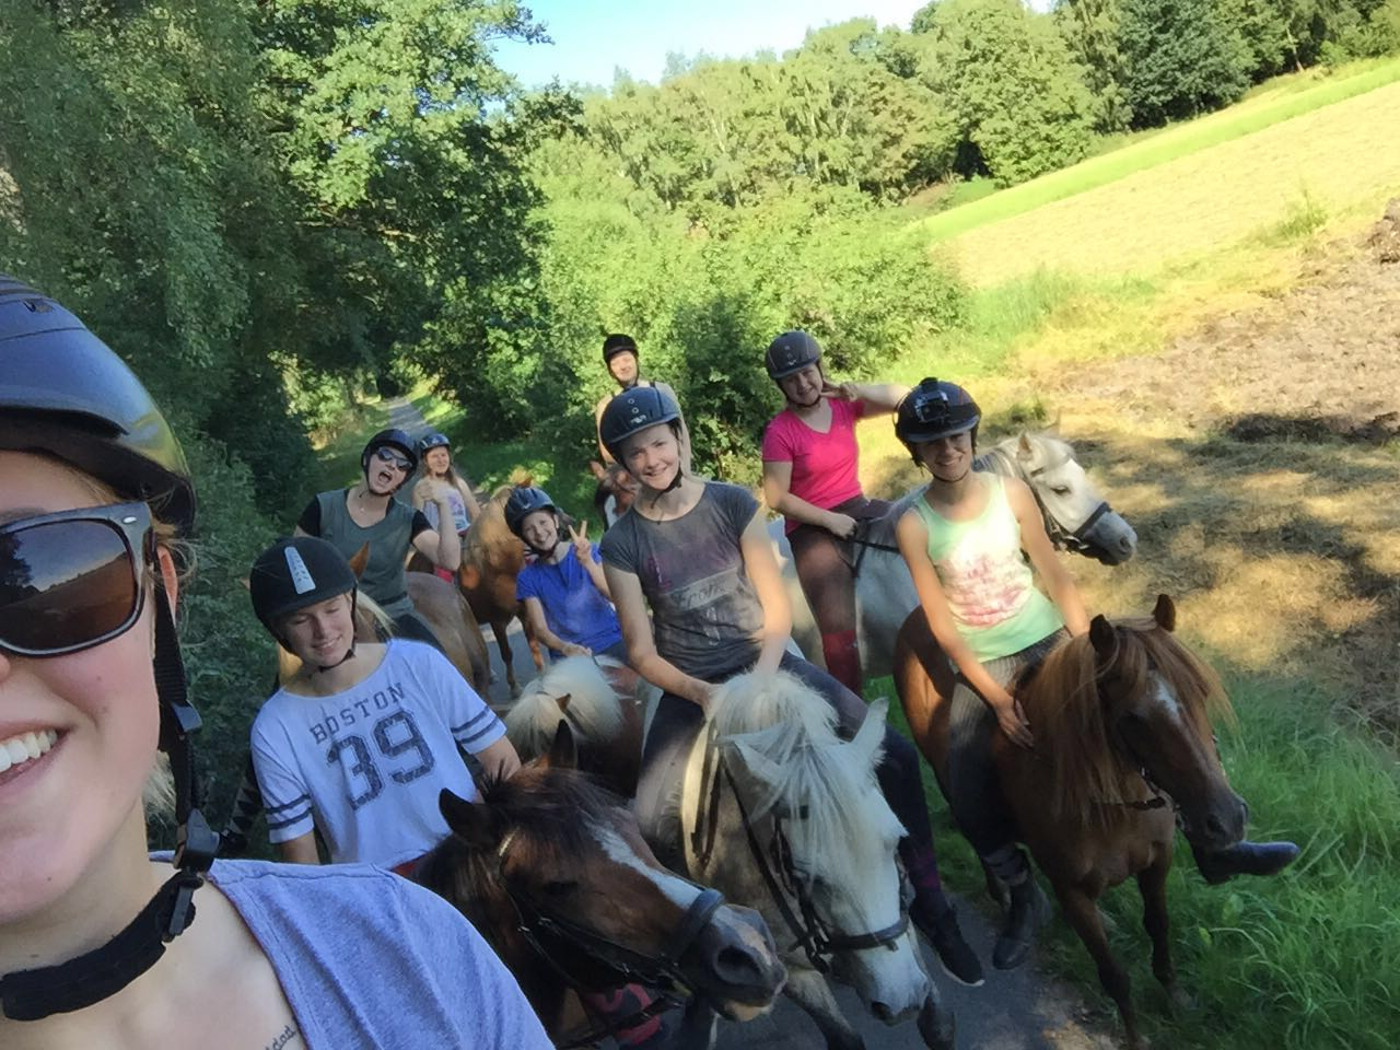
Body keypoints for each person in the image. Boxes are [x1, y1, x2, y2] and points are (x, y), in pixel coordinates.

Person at [0, 274, 550, 1046]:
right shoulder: (321, 528)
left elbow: (448, 570)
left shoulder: (415, 944)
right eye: (384, 463)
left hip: (393, 625)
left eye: (39, 580)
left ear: (160, 600)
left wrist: (439, 510)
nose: (389, 473)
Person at [892, 377, 1301, 971]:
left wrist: (1087, 649)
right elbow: (941, 624)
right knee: (964, 774)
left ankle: (1212, 840)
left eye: (956, 436)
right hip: (983, 657)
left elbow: (1055, 575)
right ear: (917, 451)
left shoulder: (1010, 492)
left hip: (1051, 638)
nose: (947, 449)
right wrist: (995, 699)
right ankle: (1023, 892)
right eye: (932, 442)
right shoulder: (914, 523)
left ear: (972, 436)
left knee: (1155, 717)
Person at [596, 386, 985, 988]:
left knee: (897, 758)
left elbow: (776, 612)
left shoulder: (731, 503)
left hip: (767, 659)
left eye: (657, 443)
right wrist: (704, 695)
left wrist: (761, 677)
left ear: (677, 436)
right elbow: (642, 651)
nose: (651, 460)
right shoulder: (622, 542)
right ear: (622, 463)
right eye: (635, 452)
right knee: (651, 821)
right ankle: (707, 949)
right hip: (692, 684)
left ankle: (931, 903)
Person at [247, 535, 521, 871]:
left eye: (332, 609)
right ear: (279, 631)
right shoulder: (275, 729)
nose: (323, 630)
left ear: (350, 601)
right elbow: (302, 860)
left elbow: (503, 761)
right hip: (376, 886)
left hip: (466, 857)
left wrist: (488, 835)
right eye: (300, 620)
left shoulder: (419, 664)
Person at [760, 330, 908, 698]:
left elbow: (904, 398)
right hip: (811, 527)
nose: (802, 384)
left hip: (857, 504)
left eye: (807, 372)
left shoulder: (844, 407)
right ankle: (850, 707)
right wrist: (828, 521)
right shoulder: (780, 431)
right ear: (781, 386)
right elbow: (776, 496)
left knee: (914, 521)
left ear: (820, 368)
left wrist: (856, 390)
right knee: (837, 627)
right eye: (791, 379)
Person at [296, 428, 459, 648]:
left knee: (436, 660)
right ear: (367, 459)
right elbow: (296, 565)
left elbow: (450, 561)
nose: (392, 465)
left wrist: (443, 505)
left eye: (402, 465)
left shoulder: (409, 519)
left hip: (393, 615)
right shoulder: (322, 507)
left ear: (403, 479)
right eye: (385, 455)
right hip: (333, 617)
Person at [507, 486, 627, 663]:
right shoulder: (527, 578)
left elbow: (614, 596)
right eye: (529, 529)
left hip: (611, 642)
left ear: (555, 520)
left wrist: (587, 562)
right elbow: (540, 630)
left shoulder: (590, 552)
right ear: (523, 537)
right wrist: (565, 647)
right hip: (568, 657)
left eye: (543, 522)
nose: (539, 532)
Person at [592, 333, 692, 473]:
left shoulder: (661, 390)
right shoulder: (606, 405)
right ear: (610, 370)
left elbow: (681, 434)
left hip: (672, 469)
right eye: (615, 363)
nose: (622, 366)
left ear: (636, 360)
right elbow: (608, 454)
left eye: (626, 359)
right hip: (634, 477)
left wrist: (685, 470)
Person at [413, 432, 482, 583]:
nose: (440, 460)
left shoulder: (459, 483)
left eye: (443, 455)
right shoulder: (422, 486)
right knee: (444, 575)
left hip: (464, 535)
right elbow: (418, 520)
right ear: (425, 460)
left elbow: (476, 513)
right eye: (434, 456)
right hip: (440, 539)